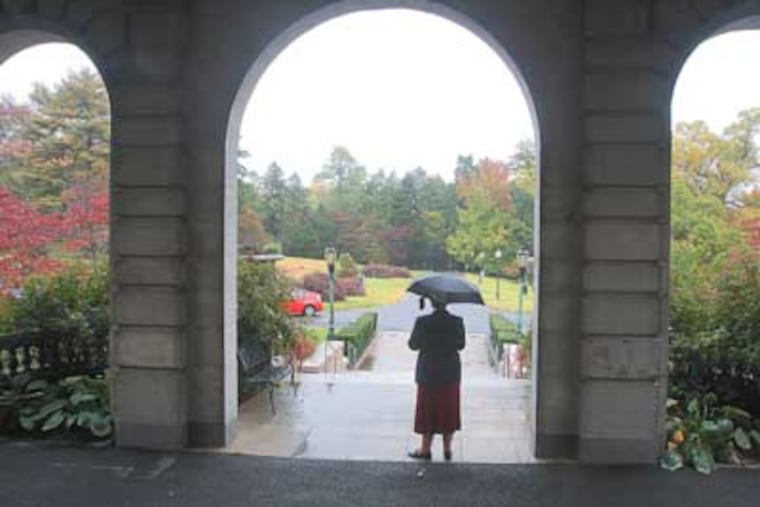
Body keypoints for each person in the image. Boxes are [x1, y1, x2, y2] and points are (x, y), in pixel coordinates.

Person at [407, 297, 465, 461]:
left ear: (431, 303)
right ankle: (447, 449)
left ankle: (425, 449)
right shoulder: (457, 321)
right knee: (449, 409)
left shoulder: (422, 321)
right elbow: (461, 345)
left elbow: (413, 345)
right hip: (450, 371)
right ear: (447, 303)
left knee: (427, 409)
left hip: (428, 371)